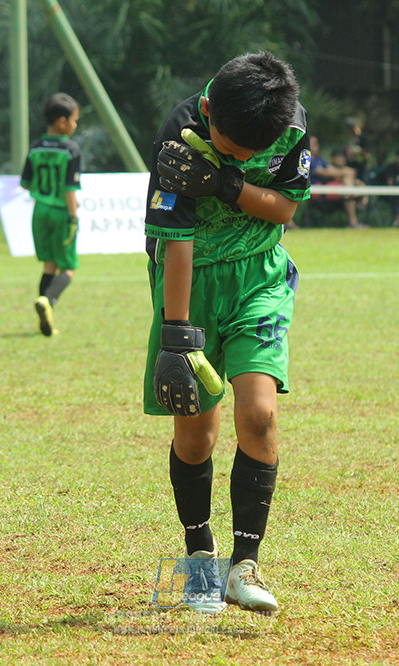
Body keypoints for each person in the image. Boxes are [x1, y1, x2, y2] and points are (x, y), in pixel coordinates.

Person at [143, 51, 309, 614]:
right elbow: (176, 242)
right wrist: (175, 336)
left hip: (259, 278)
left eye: (251, 155)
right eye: (231, 147)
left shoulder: (286, 125)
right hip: (190, 285)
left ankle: (244, 566)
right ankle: (200, 560)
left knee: (259, 415)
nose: (243, 156)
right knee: (196, 436)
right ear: (210, 110)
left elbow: (285, 209)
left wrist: (226, 182)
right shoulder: (181, 131)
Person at [20, 93, 82, 337]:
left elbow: (25, 183)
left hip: (39, 211)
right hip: (60, 212)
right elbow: (70, 188)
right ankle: (47, 300)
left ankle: (44, 316)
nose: (75, 126)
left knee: (49, 265)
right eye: (74, 120)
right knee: (68, 268)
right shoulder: (70, 149)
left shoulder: (35, 146)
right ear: (61, 121)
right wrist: (73, 217)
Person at [309, 135, 367, 228]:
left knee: (353, 183)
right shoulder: (308, 158)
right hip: (317, 188)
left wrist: (346, 172)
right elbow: (323, 172)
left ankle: (356, 198)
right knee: (348, 186)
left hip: (327, 186)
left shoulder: (319, 159)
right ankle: (353, 220)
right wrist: (344, 173)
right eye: (314, 144)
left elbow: (330, 169)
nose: (317, 146)